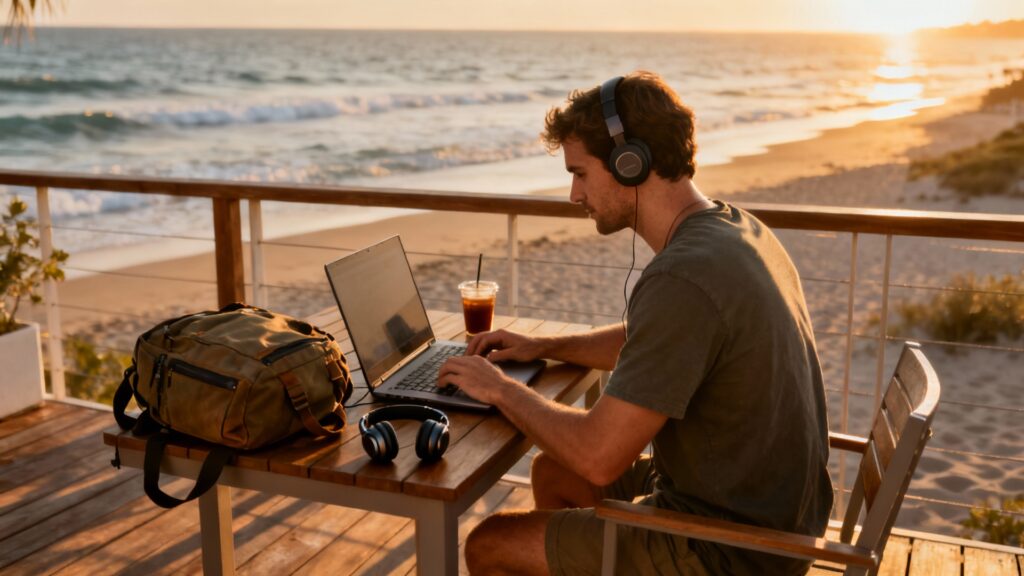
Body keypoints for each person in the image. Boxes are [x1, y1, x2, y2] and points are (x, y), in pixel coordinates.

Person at [438, 70, 833, 575]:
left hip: (732, 546)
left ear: (630, 164)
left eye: (580, 173)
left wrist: (499, 389)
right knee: (553, 472)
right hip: (767, 507)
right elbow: (657, 342)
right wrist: (544, 347)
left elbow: (599, 455)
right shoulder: (734, 228)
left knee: (489, 545)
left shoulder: (683, 277)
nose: (574, 195)